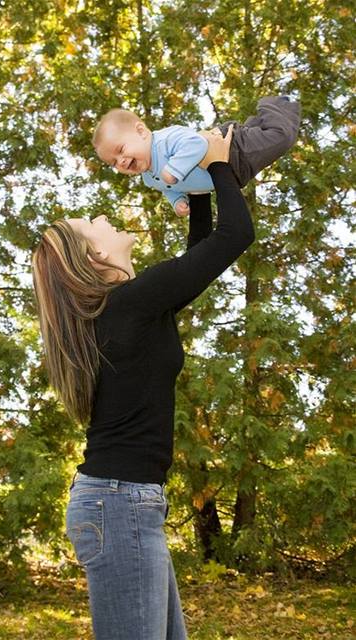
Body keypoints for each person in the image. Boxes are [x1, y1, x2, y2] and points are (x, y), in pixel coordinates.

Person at [31, 124, 255, 640]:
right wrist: (218, 161)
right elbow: (236, 236)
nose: (104, 216)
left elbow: (198, 255)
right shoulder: (129, 307)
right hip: (119, 504)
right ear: (96, 258)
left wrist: (198, 191)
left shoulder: (127, 310)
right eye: (93, 222)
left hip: (123, 503)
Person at [92, 95, 301, 216]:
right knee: (262, 136)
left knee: (282, 137)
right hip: (234, 173)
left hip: (233, 149)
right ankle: (258, 121)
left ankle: (278, 102)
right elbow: (169, 188)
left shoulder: (165, 141)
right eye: (113, 162)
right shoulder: (148, 178)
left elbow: (197, 143)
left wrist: (174, 169)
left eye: (120, 150)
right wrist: (177, 201)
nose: (121, 161)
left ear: (141, 132)